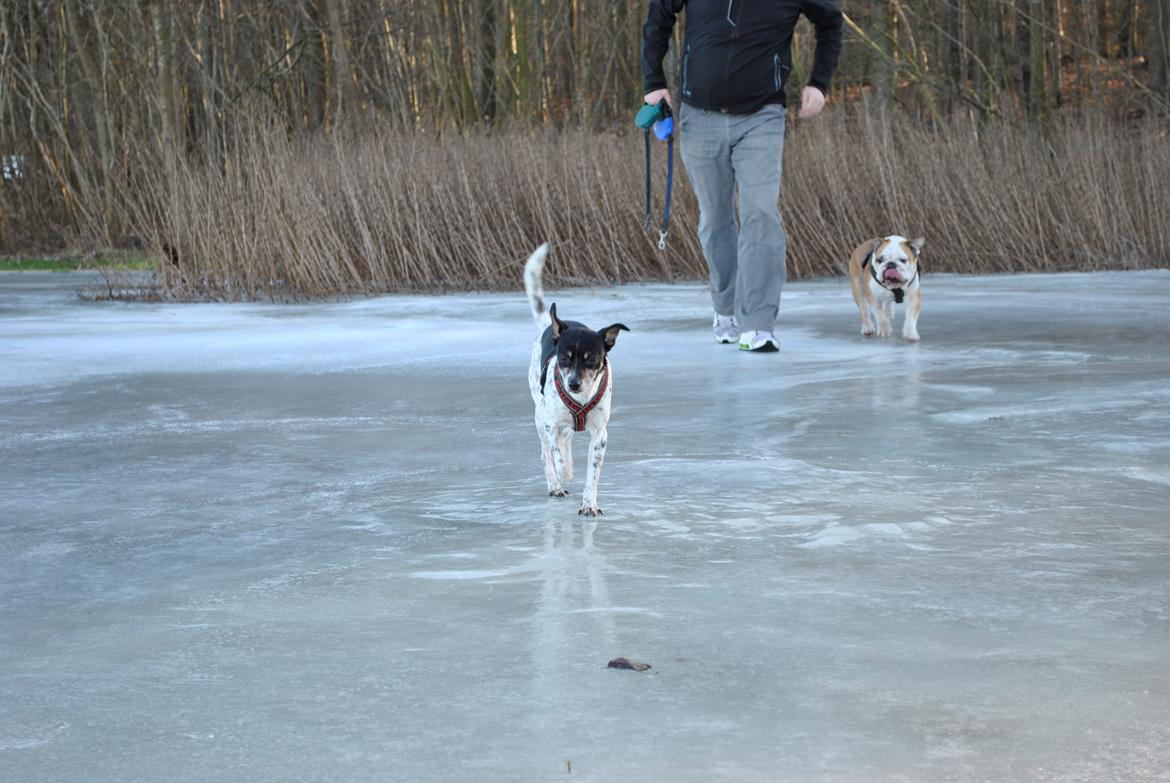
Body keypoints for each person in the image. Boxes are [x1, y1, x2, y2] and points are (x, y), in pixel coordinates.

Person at [642, 0, 843, 352]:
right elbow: (659, 15)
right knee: (715, 220)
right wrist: (653, 81)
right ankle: (725, 309)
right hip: (698, 115)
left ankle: (758, 324)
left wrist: (819, 83)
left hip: (762, 115)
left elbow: (831, 21)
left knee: (761, 214)